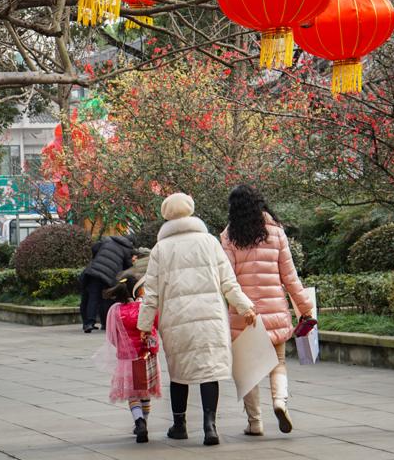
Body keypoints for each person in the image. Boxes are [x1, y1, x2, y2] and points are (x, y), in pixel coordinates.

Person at [137, 193, 256, 446]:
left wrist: (144, 326)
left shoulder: (160, 249)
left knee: (179, 373)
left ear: (166, 215)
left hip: (176, 319)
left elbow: (151, 294)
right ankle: (210, 425)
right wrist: (245, 307)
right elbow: (228, 281)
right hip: (210, 316)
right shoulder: (209, 242)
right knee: (209, 370)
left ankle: (179, 425)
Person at [221, 185, 314, 436]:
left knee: (248, 369)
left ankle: (255, 423)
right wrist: (305, 308)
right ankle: (280, 401)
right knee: (278, 363)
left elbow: (227, 280)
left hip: (244, 313)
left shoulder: (229, 236)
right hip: (275, 310)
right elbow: (290, 277)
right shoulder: (276, 232)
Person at [98, 275, 160, 444]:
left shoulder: (115, 310)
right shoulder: (144, 307)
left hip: (127, 359)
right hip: (146, 356)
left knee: (133, 395)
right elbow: (154, 325)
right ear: (137, 290)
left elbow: (111, 337)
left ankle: (138, 421)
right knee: (145, 393)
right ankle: (144, 422)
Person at [80, 233, 134, 333]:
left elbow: (95, 247)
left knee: (93, 298)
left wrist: (97, 258)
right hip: (109, 276)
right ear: (130, 243)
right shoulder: (127, 249)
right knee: (106, 298)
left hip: (94, 272)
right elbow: (128, 266)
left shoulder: (108, 240)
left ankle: (89, 323)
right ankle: (105, 324)